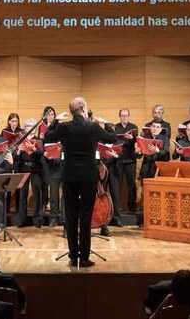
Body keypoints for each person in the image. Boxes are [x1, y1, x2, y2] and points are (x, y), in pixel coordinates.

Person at [44, 96, 118, 267]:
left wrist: (55, 121)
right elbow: (112, 139)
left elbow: (47, 137)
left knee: (71, 216)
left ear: (71, 111)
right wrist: (105, 123)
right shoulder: (93, 127)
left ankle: (73, 256)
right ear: (83, 108)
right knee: (85, 216)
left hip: (69, 176)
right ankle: (84, 257)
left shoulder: (64, 127)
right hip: (88, 177)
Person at [13, 118, 44, 228]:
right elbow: (15, 157)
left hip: (35, 169)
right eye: (27, 126)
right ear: (25, 128)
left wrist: (34, 149)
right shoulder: (21, 140)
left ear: (35, 128)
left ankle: (37, 220)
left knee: (37, 194)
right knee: (23, 195)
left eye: (31, 126)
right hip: (23, 168)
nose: (30, 128)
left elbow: (42, 153)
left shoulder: (39, 140)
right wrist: (18, 151)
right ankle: (22, 220)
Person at [39, 106, 64, 227]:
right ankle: (53, 217)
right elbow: (45, 139)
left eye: (53, 114)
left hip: (63, 164)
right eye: (49, 114)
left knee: (66, 193)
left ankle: (64, 217)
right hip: (51, 164)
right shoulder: (45, 129)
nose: (51, 116)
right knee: (53, 193)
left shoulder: (60, 127)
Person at [113, 109, 138, 213]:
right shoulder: (115, 127)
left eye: (126, 115)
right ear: (119, 116)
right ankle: (117, 207)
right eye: (122, 115)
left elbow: (137, 143)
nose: (124, 117)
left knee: (131, 184)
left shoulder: (133, 127)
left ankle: (132, 207)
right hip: (118, 160)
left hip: (130, 160)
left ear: (128, 116)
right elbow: (113, 141)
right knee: (117, 184)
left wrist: (132, 139)